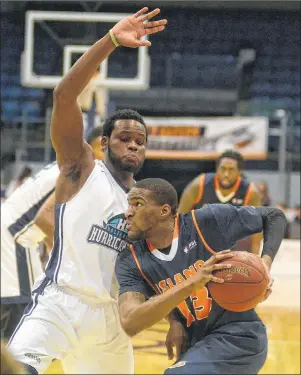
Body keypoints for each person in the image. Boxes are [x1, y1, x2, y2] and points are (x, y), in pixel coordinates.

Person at [7, 8, 167, 375]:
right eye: (124, 138)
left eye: (140, 141)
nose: (133, 146)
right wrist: (111, 40)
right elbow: (64, 95)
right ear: (105, 142)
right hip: (59, 305)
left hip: (111, 320)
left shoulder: (146, 203)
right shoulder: (81, 168)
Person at [115, 178, 287, 375]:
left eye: (138, 204)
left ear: (164, 211)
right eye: (129, 204)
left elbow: (274, 216)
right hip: (197, 341)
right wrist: (175, 318)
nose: (128, 212)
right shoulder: (131, 260)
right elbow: (130, 322)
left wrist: (264, 265)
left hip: (240, 336)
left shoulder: (206, 222)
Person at [1, 127, 104, 341]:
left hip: (14, 233)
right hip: (15, 237)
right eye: (104, 148)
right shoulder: (82, 170)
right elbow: (44, 219)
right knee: (25, 315)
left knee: (22, 311)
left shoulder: (71, 165)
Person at [178, 149, 262, 254]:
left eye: (231, 169)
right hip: (199, 242)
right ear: (217, 169)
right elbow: (179, 218)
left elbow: (257, 231)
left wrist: (256, 258)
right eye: (223, 169)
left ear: (239, 172)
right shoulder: (199, 185)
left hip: (232, 245)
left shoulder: (250, 192)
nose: (226, 174)